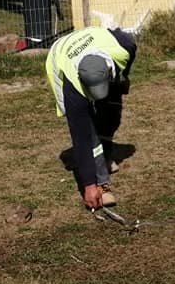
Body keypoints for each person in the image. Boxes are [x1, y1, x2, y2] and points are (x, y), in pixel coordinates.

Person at [45, 26, 136, 209]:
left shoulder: (123, 46)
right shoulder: (71, 86)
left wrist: (124, 77)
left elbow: (131, 50)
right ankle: (102, 183)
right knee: (87, 129)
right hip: (60, 58)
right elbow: (81, 136)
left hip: (96, 42)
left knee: (111, 108)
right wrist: (88, 185)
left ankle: (106, 155)